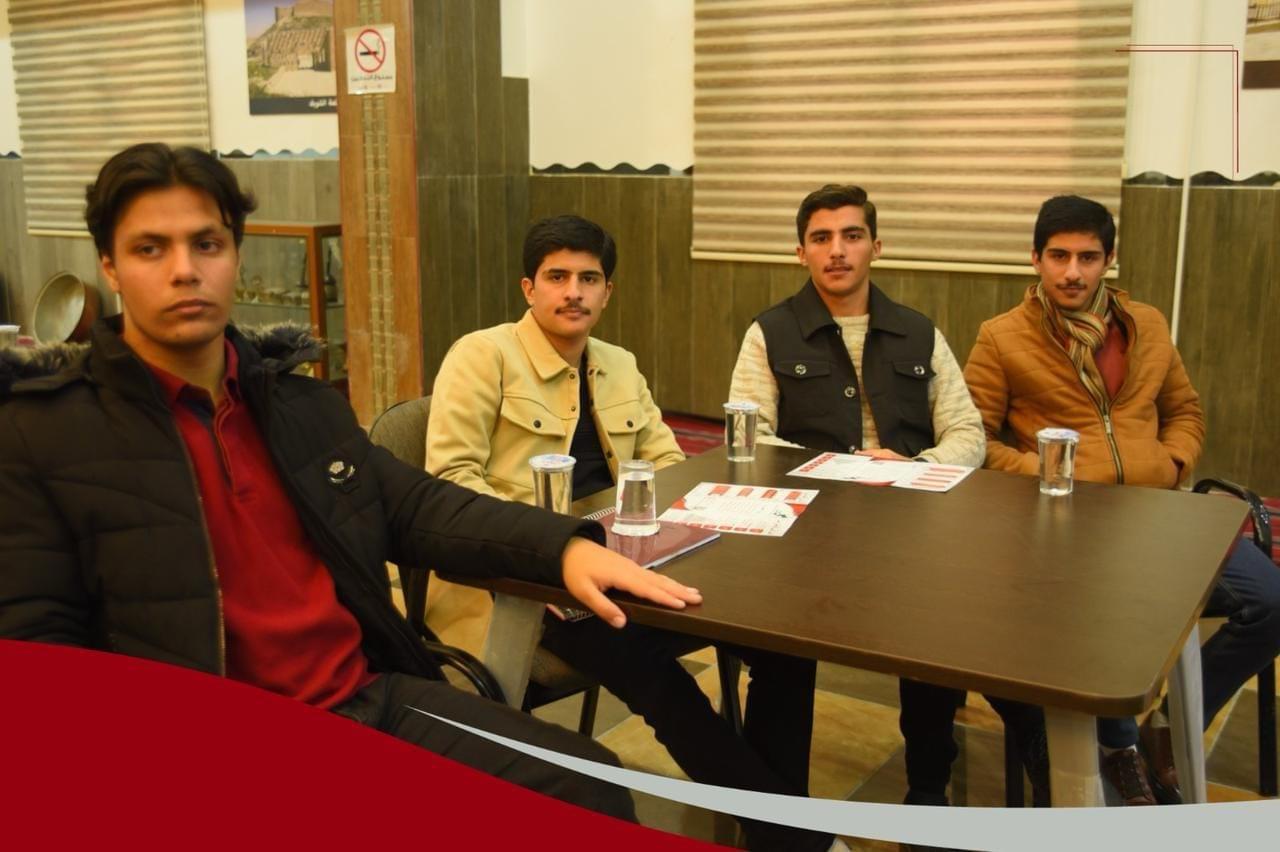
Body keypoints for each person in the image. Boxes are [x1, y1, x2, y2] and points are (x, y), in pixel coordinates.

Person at [0, 143, 708, 823]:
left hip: (367, 695)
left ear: (235, 254)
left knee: (590, 786)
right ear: (109, 266)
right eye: (151, 249)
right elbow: (39, 662)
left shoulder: (300, 407)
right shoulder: (45, 435)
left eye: (206, 244)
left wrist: (564, 547)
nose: (185, 270)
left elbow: (420, 505)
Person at [428, 214, 836, 852]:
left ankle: (771, 829)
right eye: (557, 277)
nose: (574, 292)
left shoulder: (618, 364)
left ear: (607, 291)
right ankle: (794, 837)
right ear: (528, 288)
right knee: (647, 666)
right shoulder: (482, 356)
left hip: (636, 554)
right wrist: (552, 543)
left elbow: (670, 462)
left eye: (589, 279)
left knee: (783, 640)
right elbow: (452, 481)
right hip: (529, 574)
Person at [728, 184, 1048, 808]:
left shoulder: (917, 332)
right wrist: (841, 471)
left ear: (877, 246)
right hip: (807, 535)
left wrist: (916, 467)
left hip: (912, 526)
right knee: (780, 650)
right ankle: (778, 810)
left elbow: (967, 433)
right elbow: (750, 438)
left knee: (943, 626)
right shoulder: (769, 333)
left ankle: (929, 790)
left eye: (852, 236)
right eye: (821, 238)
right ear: (800, 252)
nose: (837, 251)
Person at [963, 194, 1280, 805]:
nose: (1071, 272)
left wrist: (1172, 462)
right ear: (1035, 258)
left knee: (1270, 600)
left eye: (1087, 257)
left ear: (1109, 260)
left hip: (1158, 515)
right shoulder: (1001, 337)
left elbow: (1185, 410)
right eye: (1058, 256)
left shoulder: (1147, 324)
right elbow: (976, 440)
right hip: (1067, 526)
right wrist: (1046, 474)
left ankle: (1162, 731)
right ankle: (1116, 754)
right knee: (1104, 620)